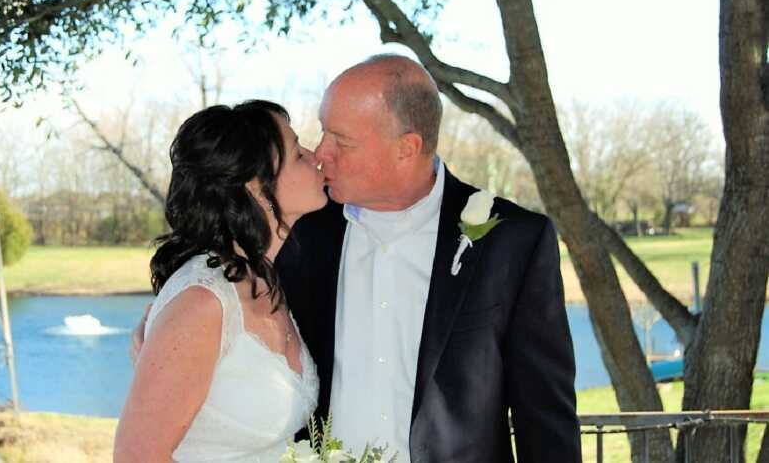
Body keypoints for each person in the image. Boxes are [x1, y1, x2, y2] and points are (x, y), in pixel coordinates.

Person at [133, 56, 582, 462]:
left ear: (406, 147)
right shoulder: (297, 226)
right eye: (321, 131)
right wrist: (161, 327)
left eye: (341, 141)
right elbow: (215, 295)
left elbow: (545, 417)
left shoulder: (512, 242)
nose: (321, 152)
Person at [114, 100, 327, 462]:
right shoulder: (202, 302)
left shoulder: (268, 278)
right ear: (256, 187)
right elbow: (136, 456)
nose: (315, 156)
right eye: (297, 153)